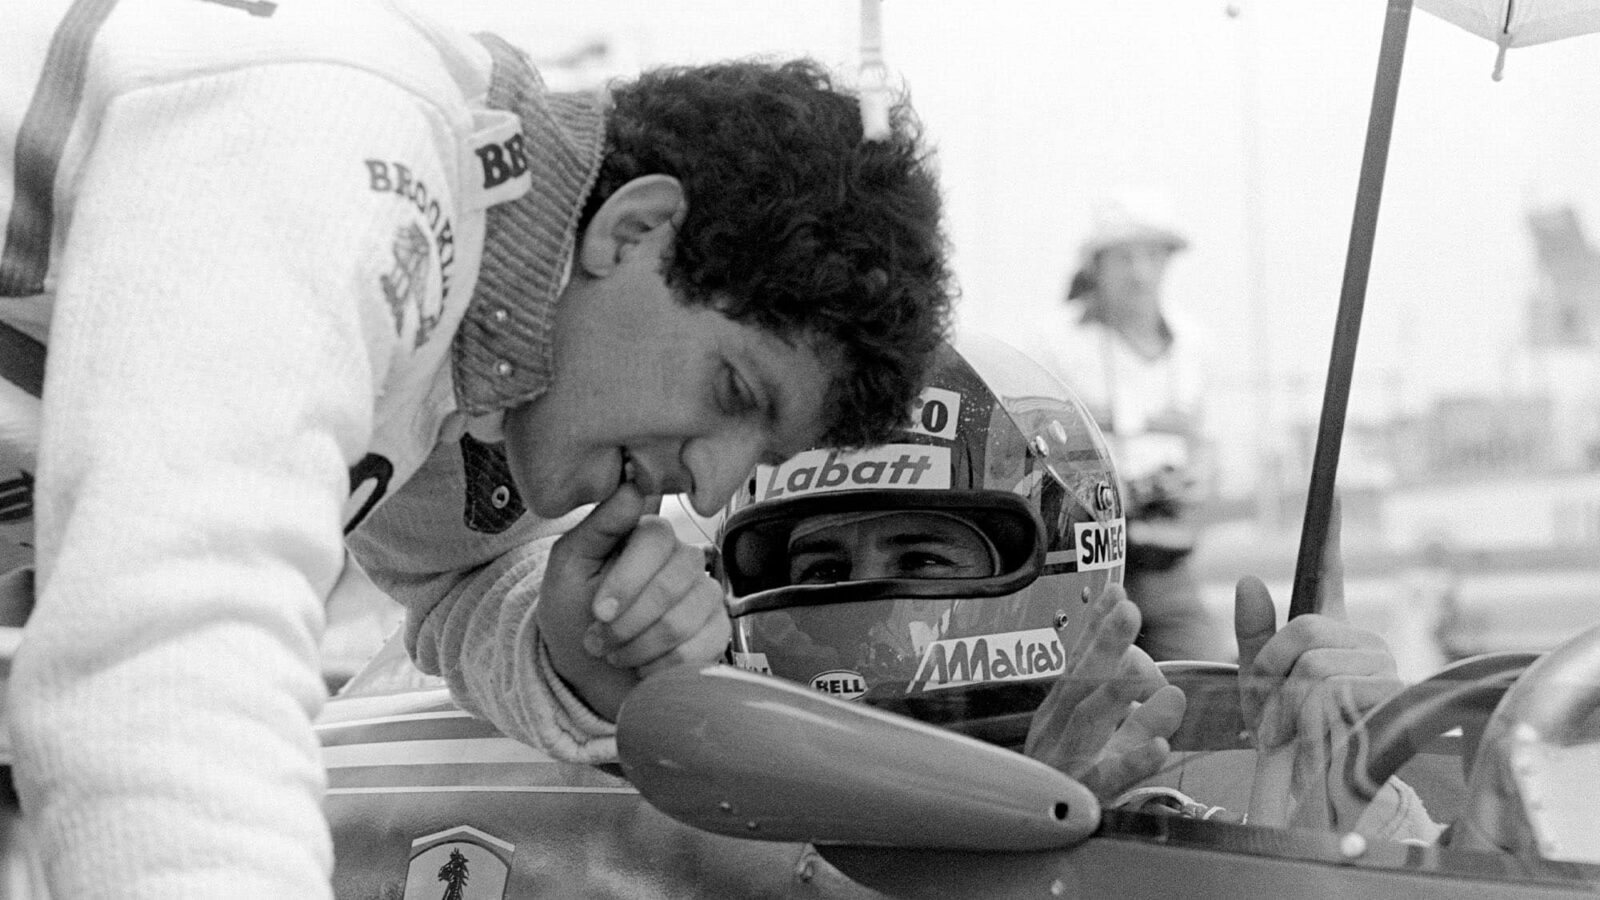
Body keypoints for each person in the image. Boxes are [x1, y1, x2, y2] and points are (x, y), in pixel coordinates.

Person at [0, 2, 952, 895]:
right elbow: (167, 655)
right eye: (733, 392)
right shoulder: (351, 142)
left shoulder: (478, 343)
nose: (709, 483)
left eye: (756, 453)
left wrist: (563, 647)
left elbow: (450, 579)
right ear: (636, 230)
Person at [719, 335, 1439, 840]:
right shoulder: (723, 817)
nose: (866, 606)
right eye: (823, 571)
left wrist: (1336, 817)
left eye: (921, 558)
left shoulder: (1162, 830)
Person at [1023, 189, 1231, 662]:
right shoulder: (1054, 344)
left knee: (1204, 680)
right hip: (1082, 568)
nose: (1139, 273)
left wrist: (1190, 485)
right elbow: (1033, 454)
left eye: (1151, 257)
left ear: (1167, 262)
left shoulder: (1197, 346)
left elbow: (1211, 454)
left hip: (1168, 565)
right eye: (1124, 258)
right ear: (1097, 265)